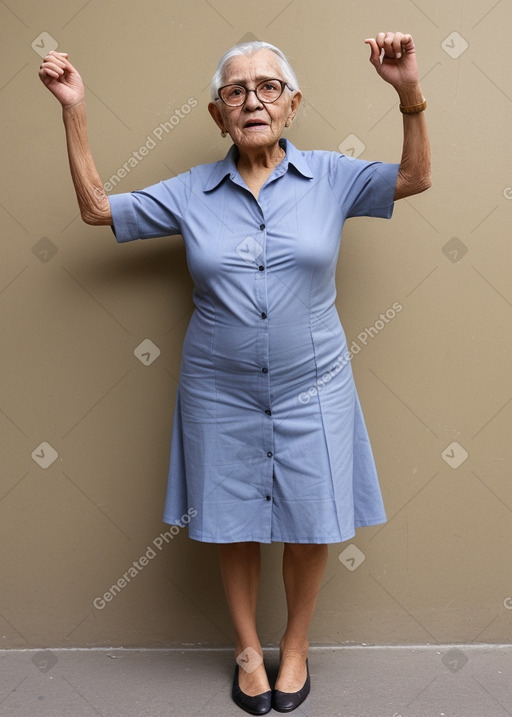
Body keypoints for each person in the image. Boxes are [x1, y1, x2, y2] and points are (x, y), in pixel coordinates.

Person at [39, 32, 430, 715]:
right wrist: (74, 108)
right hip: (218, 390)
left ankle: (297, 647)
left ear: (293, 103)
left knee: (312, 522)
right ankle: (249, 650)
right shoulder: (193, 191)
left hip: (317, 385)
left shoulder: (333, 177)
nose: (253, 99)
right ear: (219, 116)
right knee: (230, 521)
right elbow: (98, 209)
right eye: (236, 90)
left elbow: (415, 177)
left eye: (268, 87)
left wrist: (408, 95)